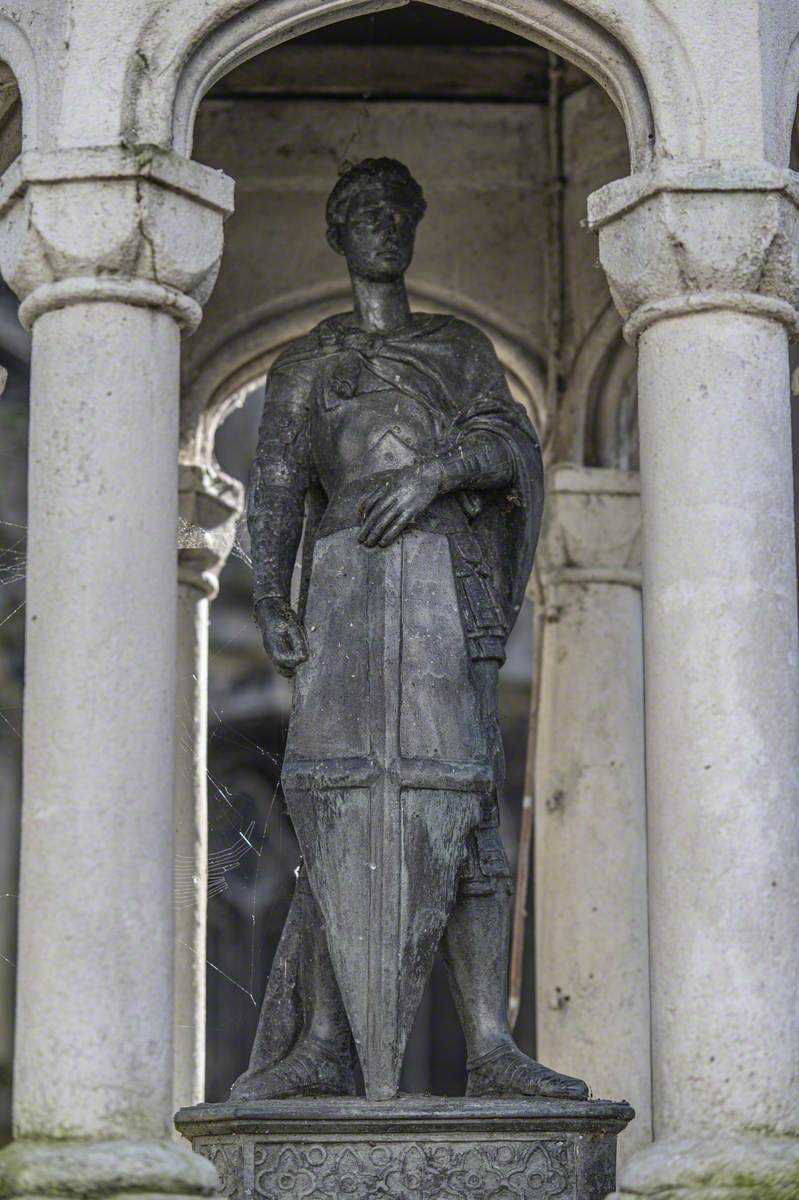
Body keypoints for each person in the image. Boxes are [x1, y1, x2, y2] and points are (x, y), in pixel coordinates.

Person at [233, 158, 588, 1103]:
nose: (382, 226)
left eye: (397, 212)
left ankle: (487, 1046)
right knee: (334, 802)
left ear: (414, 228)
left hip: (449, 597)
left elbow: (508, 445)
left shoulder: (459, 349)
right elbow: (273, 492)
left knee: (465, 810)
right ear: (337, 234)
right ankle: (317, 1042)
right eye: (362, 213)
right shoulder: (306, 364)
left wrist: (431, 475)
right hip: (348, 606)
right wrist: (272, 600)